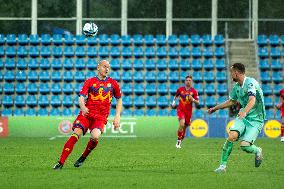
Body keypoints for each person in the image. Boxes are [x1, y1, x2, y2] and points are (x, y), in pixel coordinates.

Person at [53, 60, 122, 170]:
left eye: (108, 67)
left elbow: (119, 100)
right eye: (104, 66)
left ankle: (82, 157)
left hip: (100, 117)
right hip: (87, 114)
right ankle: (60, 162)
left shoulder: (113, 83)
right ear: (98, 67)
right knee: (76, 134)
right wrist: (83, 107)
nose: (107, 69)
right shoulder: (90, 81)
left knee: (95, 137)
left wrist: (117, 116)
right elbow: (81, 97)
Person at [208, 63, 265, 173]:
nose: (231, 75)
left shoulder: (251, 83)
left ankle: (258, 150)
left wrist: (244, 111)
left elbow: (252, 100)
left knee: (245, 146)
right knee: (232, 136)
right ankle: (222, 166)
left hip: (256, 119)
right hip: (243, 116)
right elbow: (231, 101)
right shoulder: (236, 87)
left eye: (231, 73)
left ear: (236, 73)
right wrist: (215, 108)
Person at [171, 75, 199, 149]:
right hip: (180, 110)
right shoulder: (180, 89)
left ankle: (180, 139)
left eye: (189, 80)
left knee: (184, 128)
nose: (188, 81)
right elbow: (175, 96)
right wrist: (173, 102)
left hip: (188, 112)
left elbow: (197, 102)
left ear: (191, 81)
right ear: (185, 81)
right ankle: (178, 141)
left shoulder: (194, 91)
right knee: (182, 124)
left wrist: (192, 99)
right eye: (187, 80)